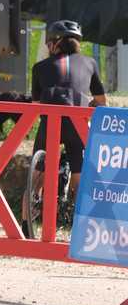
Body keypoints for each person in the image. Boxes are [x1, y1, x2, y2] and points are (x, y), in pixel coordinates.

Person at [21, 19, 107, 235]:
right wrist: (88, 105)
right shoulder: (90, 63)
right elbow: (101, 101)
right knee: (80, 176)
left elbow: (36, 105)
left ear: (54, 43)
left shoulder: (40, 67)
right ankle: (80, 227)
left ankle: (25, 225)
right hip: (77, 123)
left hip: (50, 122)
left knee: (37, 177)